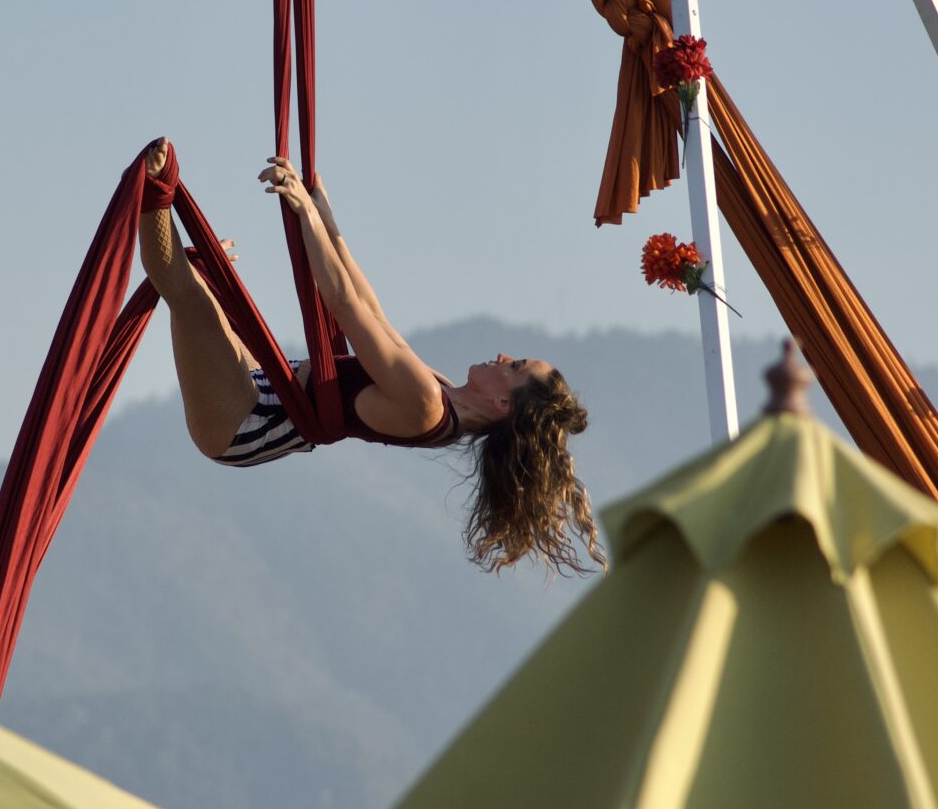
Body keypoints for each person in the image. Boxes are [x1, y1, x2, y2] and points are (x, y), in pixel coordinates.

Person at [138, 141, 602, 573]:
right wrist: (327, 221)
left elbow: (345, 306)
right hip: (265, 384)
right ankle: (159, 197)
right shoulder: (441, 392)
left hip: (245, 423)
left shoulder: (426, 404)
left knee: (192, 297)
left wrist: (304, 211)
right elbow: (372, 310)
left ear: (504, 404)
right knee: (202, 277)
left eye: (515, 366)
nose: (503, 355)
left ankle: (152, 186)